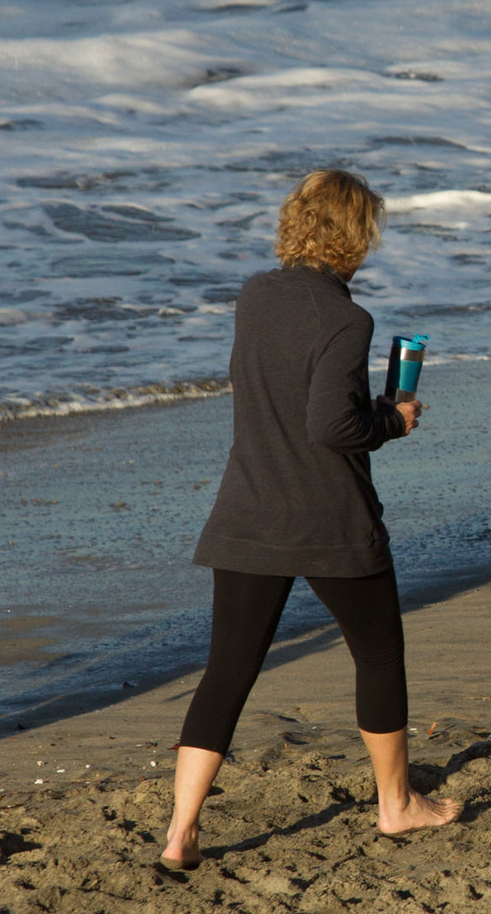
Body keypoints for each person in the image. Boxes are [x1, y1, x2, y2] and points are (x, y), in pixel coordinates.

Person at [159, 168, 460, 869]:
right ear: (355, 234)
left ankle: (180, 832)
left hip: (248, 507)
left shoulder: (255, 295)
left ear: (297, 220)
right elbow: (331, 425)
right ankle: (396, 804)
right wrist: (394, 417)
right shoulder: (347, 319)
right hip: (330, 517)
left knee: (226, 672)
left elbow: (278, 398)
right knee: (378, 652)